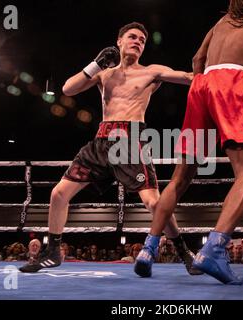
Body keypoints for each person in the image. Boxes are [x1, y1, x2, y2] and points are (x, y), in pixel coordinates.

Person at [19, 22, 199, 274]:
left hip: (130, 142)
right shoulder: (104, 74)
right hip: (100, 142)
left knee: (154, 203)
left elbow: (189, 78)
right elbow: (67, 89)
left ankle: (185, 253)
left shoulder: (151, 71)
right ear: (119, 41)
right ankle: (52, 253)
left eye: (142, 40)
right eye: (132, 37)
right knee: (59, 194)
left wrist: (221, 69)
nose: (137, 41)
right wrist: (96, 63)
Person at [135, 0, 243, 284]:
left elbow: (197, 60)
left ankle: (148, 249)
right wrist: (237, 89)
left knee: (180, 179)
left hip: (202, 85)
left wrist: (206, 90)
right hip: (235, 82)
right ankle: (214, 249)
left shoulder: (223, 21)